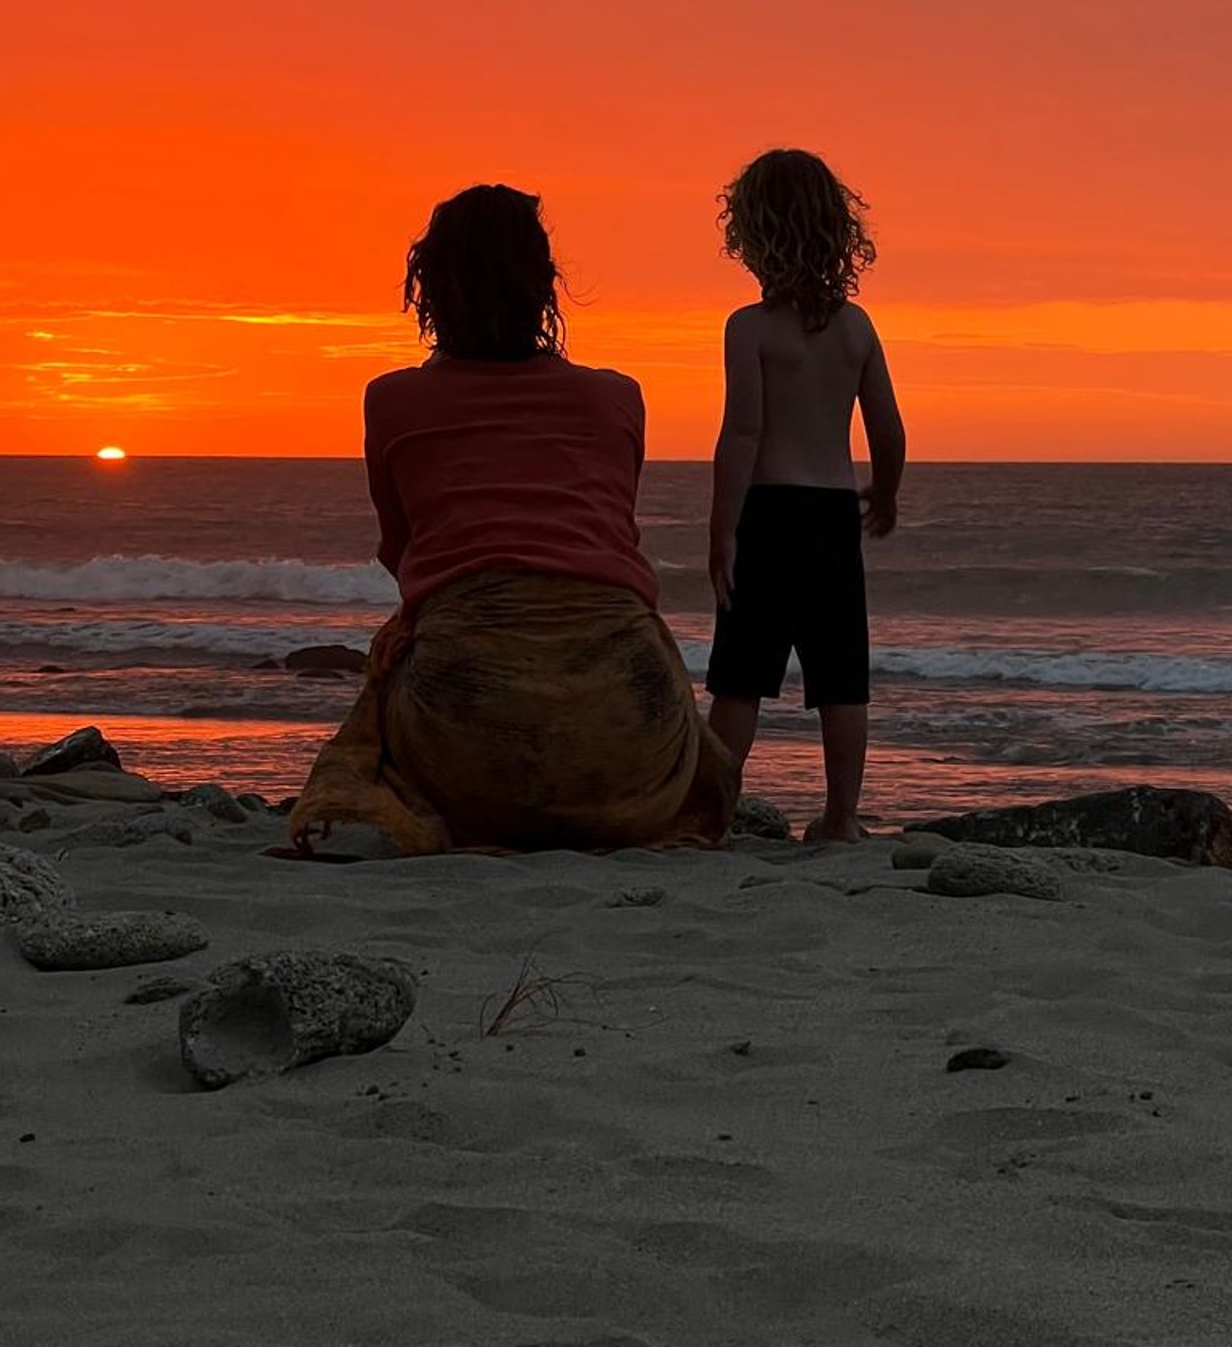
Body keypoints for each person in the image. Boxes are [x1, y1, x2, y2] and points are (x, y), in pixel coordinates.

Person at [286, 183, 738, 855]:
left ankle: (394, 811)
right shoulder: (617, 398)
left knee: (396, 652)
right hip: (629, 727)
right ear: (544, 284)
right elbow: (610, 531)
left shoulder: (392, 401)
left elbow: (401, 553)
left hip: (469, 727)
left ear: (429, 288)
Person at [705, 148, 906, 842]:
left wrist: (722, 530)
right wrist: (884, 490)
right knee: (840, 677)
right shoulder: (856, 328)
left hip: (768, 512)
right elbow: (888, 428)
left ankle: (713, 813)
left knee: (741, 675)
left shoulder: (750, 328)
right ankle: (841, 818)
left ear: (753, 237)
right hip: (830, 514)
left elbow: (742, 434)